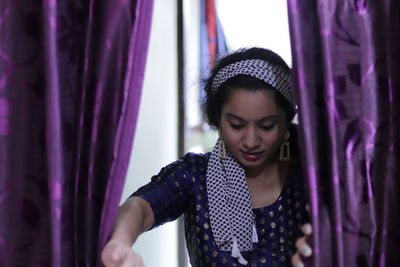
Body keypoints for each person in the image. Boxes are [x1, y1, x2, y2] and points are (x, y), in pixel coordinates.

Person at [101, 47, 313, 267]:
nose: (251, 141)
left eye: (267, 126)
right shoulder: (195, 175)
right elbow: (141, 207)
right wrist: (120, 242)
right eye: (236, 125)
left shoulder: (312, 179)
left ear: (288, 120)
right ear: (216, 119)